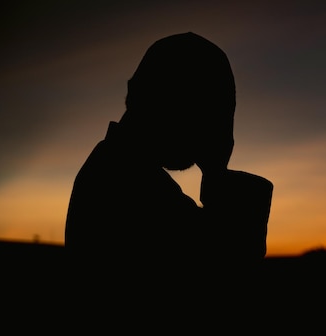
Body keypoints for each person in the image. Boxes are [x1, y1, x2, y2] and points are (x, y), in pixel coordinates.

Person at [65, 32, 273, 276]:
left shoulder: (120, 169)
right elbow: (231, 264)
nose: (209, 127)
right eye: (199, 105)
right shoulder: (129, 185)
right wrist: (217, 170)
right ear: (140, 94)